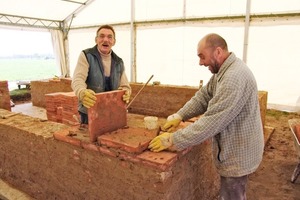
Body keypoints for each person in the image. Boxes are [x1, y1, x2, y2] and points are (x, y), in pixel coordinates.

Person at [148, 33, 264, 200]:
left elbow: (211, 122)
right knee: (231, 191)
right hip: (237, 145)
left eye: (202, 57)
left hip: (239, 151)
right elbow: (203, 96)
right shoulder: (223, 72)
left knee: (233, 193)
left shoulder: (233, 78)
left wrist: (173, 139)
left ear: (218, 52)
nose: (201, 62)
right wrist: (180, 115)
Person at [72, 24, 131, 124]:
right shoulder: (86, 56)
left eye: (109, 37)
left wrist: (127, 92)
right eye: (102, 36)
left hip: (111, 112)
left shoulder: (118, 62)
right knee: (88, 138)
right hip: (89, 112)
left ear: (114, 42)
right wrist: (82, 92)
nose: (105, 40)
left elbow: (125, 85)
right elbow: (78, 79)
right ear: (96, 40)